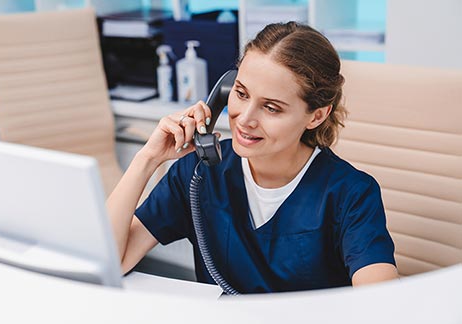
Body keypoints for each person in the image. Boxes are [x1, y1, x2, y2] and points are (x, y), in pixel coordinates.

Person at [107, 22, 398, 293]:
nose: (245, 119)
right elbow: (112, 261)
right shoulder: (198, 173)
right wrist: (148, 158)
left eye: (271, 108)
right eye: (241, 94)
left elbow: (381, 305)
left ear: (317, 115)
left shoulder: (351, 193)